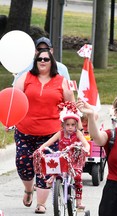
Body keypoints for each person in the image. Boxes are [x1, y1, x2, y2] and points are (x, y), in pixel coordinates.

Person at [14, 49, 75, 214]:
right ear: (35, 61)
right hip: (25, 131)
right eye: (39, 58)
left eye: (46, 59)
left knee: (47, 167)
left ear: (51, 62)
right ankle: (28, 190)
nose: (42, 61)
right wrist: (9, 118)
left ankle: (41, 203)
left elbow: (71, 106)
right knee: (23, 163)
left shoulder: (61, 81)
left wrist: (74, 126)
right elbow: (14, 99)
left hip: (51, 134)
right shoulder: (26, 78)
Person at [39, 101, 90, 209]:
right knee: (54, 169)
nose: (70, 127)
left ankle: (78, 201)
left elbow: (85, 143)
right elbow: (48, 143)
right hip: (62, 159)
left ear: (76, 125)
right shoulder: (60, 134)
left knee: (77, 177)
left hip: (75, 160)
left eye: (73, 125)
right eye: (67, 125)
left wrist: (86, 148)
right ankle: (54, 183)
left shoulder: (78, 134)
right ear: (63, 125)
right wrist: (41, 148)